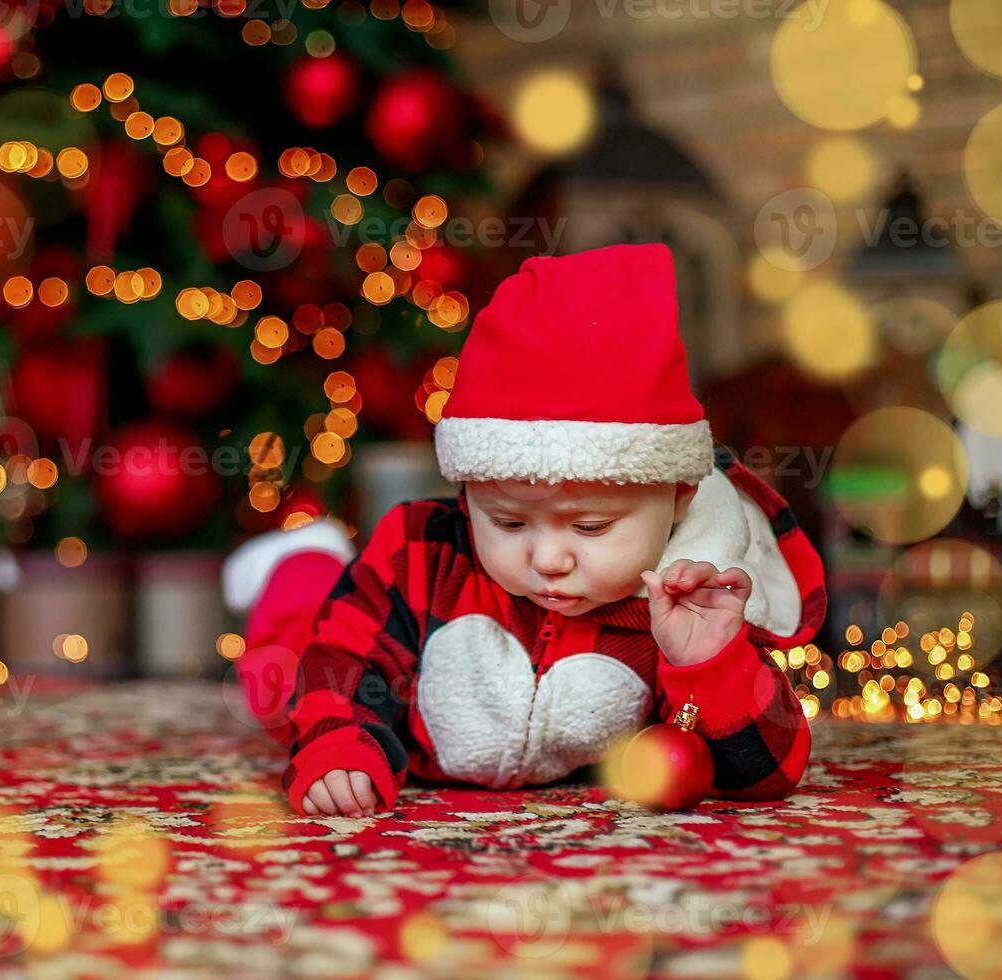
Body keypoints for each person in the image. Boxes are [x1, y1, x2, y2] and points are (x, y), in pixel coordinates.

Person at [221, 243, 827, 818]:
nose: (547, 559)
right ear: (468, 490)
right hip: (336, 637)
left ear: (678, 498)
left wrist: (709, 665)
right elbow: (345, 658)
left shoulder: (685, 598)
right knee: (281, 676)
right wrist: (338, 744)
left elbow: (767, 775)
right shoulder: (422, 551)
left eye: (590, 527)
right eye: (507, 521)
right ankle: (302, 566)